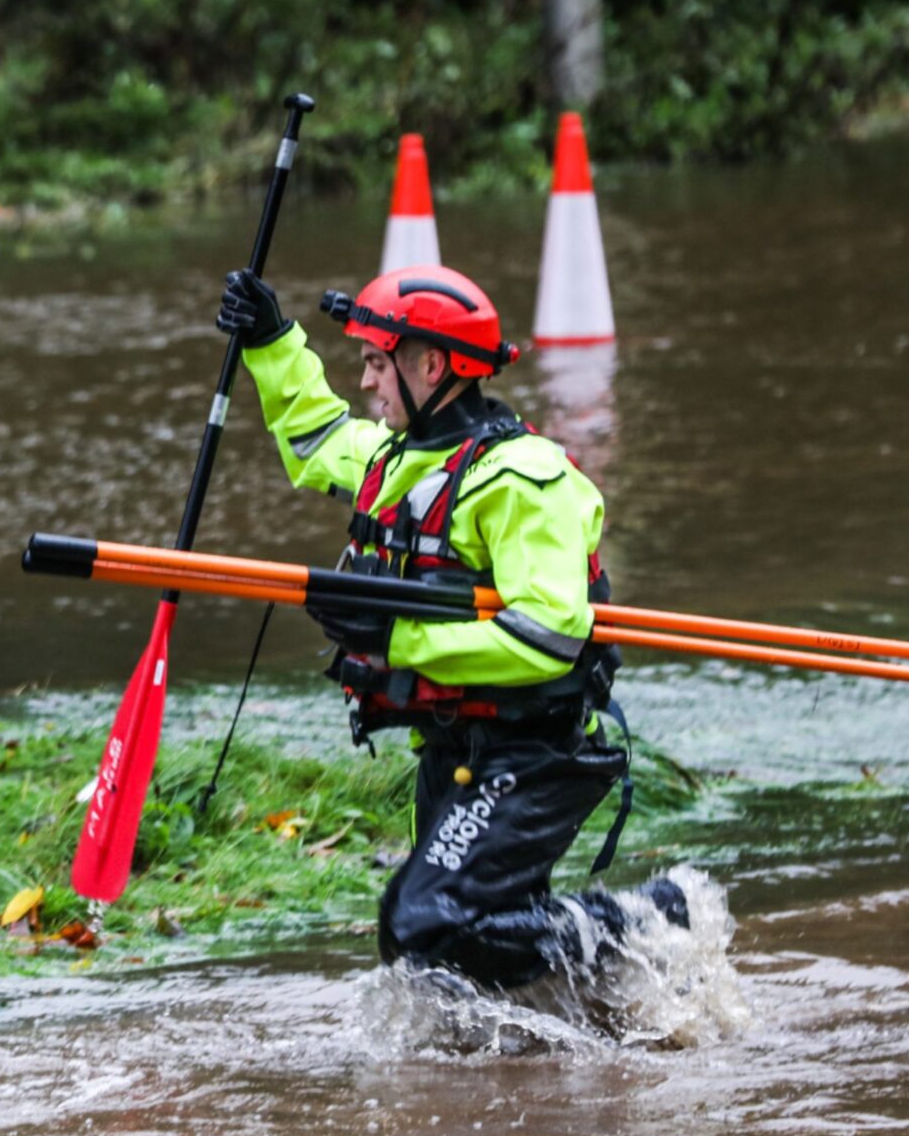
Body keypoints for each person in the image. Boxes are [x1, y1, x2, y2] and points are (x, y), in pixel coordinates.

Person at [215, 261, 686, 992]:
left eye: (376, 364)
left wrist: (391, 636)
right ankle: (565, 1037)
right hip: (454, 745)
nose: (366, 383)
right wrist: (272, 342)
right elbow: (313, 440)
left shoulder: (528, 480)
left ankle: (647, 922)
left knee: (423, 922)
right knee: (436, 955)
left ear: (431, 364)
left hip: (531, 751)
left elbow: (548, 639)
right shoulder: (395, 458)